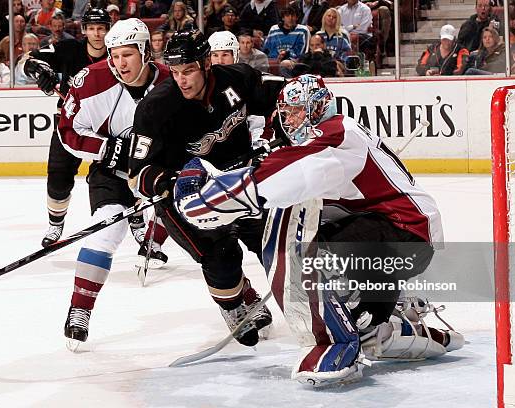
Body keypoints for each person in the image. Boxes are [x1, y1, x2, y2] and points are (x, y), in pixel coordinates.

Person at [173, 74, 464, 386]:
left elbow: (275, 183)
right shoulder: (337, 132)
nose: (289, 120)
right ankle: (385, 323)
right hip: (405, 233)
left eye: (296, 111)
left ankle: (334, 343)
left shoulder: (333, 136)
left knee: (296, 246)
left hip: (404, 232)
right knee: (309, 229)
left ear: (317, 109)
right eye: (285, 113)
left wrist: (202, 201)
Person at [129, 30, 282, 347]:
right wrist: (171, 181)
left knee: (274, 242)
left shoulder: (237, 78)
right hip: (186, 197)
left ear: (205, 64)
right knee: (221, 254)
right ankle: (234, 304)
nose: (181, 80)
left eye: (188, 71)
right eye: (175, 72)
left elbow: (279, 100)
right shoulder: (155, 108)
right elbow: (137, 175)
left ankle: (307, 300)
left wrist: (281, 136)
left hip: (239, 180)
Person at [56, 18, 170, 349]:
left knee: (199, 227)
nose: (120, 64)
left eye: (127, 55)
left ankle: (239, 299)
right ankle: (80, 309)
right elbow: (68, 131)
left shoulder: (171, 80)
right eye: (114, 55)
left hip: (156, 170)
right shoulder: (93, 81)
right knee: (106, 228)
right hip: (111, 173)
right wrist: (106, 148)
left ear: (146, 51)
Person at [23, 8, 126, 248]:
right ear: (84, 30)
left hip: (108, 127)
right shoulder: (69, 49)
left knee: (117, 177)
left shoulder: (118, 55)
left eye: (101, 28)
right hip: (70, 125)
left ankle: (138, 224)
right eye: (92, 28)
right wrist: (40, 72)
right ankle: (55, 223)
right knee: (58, 177)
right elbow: (31, 60)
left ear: (109, 29)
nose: (97, 34)